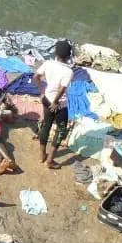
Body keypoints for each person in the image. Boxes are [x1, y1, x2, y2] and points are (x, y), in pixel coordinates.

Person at [33, 39, 74, 169]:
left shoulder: (48, 63)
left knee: (46, 125)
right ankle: (50, 161)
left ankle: (41, 155)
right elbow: (62, 88)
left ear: (56, 54)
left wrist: (42, 92)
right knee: (61, 130)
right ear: (68, 56)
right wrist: (56, 102)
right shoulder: (68, 71)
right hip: (59, 104)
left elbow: (36, 77)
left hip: (46, 99)